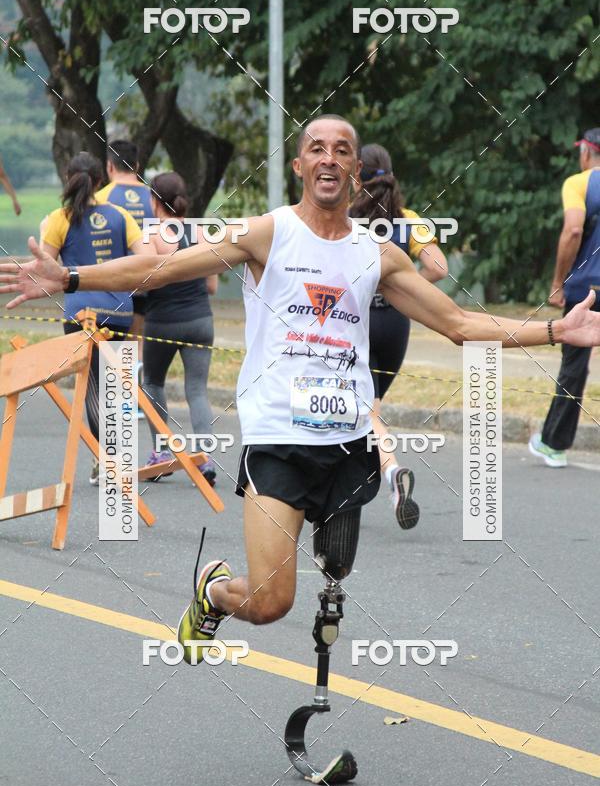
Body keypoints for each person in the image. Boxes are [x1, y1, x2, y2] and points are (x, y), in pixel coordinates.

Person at [3, 115, 600, 666]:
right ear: (299, 166)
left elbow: (461, 324)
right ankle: (211, 592)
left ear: (354, 172)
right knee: (270, 602)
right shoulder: (270, 234)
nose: (330, 159)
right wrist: (71, 277)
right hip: (276, 440)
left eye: (343, 150)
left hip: (347, 443)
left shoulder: (377, 254)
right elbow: (161, 269)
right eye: (317, 148)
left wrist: (556, 330)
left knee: (336, 570)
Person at [349, 143, 448, 529]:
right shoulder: (409, 221)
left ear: (357, 176)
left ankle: (392, 475)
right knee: (367, 409)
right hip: (397, 327)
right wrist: (403, 289)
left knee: (367, 411)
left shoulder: (345, 220)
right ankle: (363, 481)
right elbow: (438, 268)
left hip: (358, 324)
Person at [39, 151, 146, 483]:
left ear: (67, 178)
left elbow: (44, 273)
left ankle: (107, 461)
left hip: (81, 313)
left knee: (94, 389)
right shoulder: (121, 216)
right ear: (102, 180)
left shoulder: (60, 218)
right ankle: (120, 459)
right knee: (117, 383)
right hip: (120, 313)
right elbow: (146, 260)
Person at [142, 172, 219, 486]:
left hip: (162, 322)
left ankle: (161, 454)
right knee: (197, 390)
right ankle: (205, 457)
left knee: (153, 383)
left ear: (154, 201)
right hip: (201, 321)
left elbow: (144, 282)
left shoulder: (152, 234)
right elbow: (212, 285)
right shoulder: (201, 232)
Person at [529, 128, 600, 468]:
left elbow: (573, 229)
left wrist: (558, 282)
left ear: (586, 152)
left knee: (574, 366)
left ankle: (553, 444)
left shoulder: (579, 183)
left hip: (587, 289)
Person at [96, 140, 154, 341]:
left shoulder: (100, 198)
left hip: (111, 289)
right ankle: (132, 372)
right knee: (134, 349)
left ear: (109, 166)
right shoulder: (154, 198)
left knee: (109, 354)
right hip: (147, 286)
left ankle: (113, 372)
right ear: (137, 166)